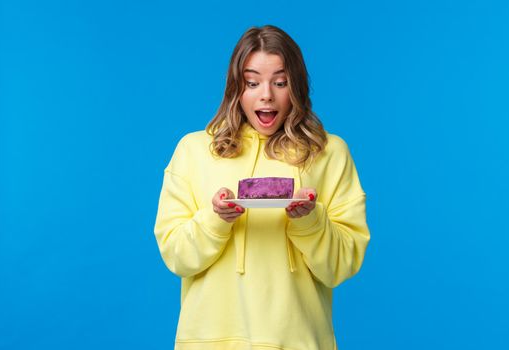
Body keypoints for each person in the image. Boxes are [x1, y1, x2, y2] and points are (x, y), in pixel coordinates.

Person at [154, 24, 370, 350]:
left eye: (280, 82)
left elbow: (341, 265)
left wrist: (310, 220)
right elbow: (176, 256)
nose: (266, 94)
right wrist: (215, 219)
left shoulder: (330, 153)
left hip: (298, 340)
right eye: (252, 83)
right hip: (208, 341)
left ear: (296, 86)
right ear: (235, 88)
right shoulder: (193, 151)